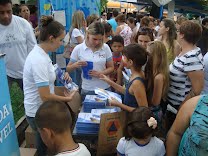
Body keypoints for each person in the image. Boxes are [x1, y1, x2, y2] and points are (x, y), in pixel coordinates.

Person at [23, 15, 77, 156]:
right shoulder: (38, 59)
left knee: (46, 146)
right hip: (37, 111)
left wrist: (63, 76)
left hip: (41, 108)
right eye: (60, 40)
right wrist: (67, 99)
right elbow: (45, 96)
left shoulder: (43, 54)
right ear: (51, 38)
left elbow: (50, 75)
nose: (62, 44)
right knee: (45, 148)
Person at [166, 20, 204, 131]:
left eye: (178, 31)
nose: (177, 34)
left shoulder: (192, 57)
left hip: (178, 107)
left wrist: (181, 109)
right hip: (173, 105)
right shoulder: (185, 52)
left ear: (182, 35)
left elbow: (197, 90)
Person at [66, 22, 114, 100]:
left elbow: (111, 68)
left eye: (100, 39)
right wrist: (76, 65)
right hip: (87, 89)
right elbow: (68, 68)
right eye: (94, 39)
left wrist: (100, 73)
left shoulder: (105, 47)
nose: (97, 42)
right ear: (88, 34)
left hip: (104, 88)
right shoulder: (79, 48)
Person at [100, 44, 148, 112]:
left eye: (124, 58)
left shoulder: (137, 83)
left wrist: (119, 104)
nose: (122, 59)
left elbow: (144, 110)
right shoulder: (134, 75)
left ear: (130, 62)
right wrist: (109, 81)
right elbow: (128, 92)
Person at [0, 0, 36, 90]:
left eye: (9, 12)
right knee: (2, 102)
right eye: (1, 13)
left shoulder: (24, 24)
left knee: (31, 101)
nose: (6, 16)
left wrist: (31, 68)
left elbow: (33, 48)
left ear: (12, 9)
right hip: (3, 73)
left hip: (25, 70)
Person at [145, 41, 169, 127]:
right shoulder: (153, 71)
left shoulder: (159, 77)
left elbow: (155, 102)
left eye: (148, 54)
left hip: (153, 114)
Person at [63, 10, 86, 87]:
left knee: (78, 77)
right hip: (75, 57)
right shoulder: (76, 31)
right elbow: (83, 43)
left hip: (76, 56)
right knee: (77, 78)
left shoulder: (77, 30)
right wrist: (86, 29)